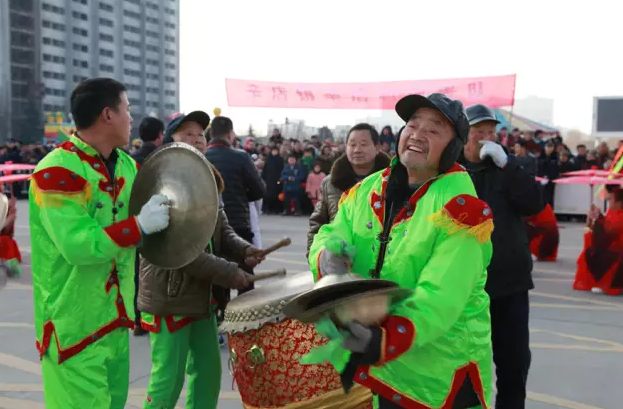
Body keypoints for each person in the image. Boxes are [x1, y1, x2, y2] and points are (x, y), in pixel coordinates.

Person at [309, 93, 494, 408]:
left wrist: (387, 339)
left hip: (435, 375)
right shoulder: (366, 190)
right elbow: (332, 231)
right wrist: (327, 254)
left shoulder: (463, 210)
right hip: (370, 367)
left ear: (452, 149)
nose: (418, 134)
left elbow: (442, 294)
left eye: (434, 130)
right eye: (412, 124)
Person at [29, 77, 170, 409]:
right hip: (73, 327)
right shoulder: (56, 171)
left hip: (116, 323)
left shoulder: (127, 165)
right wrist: (137, 226)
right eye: (127, 109)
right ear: (108, 115)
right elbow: (78, 245)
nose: (131, 118)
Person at [138, 114, 263, 409]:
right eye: (188, 134)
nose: (197, 139)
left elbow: (222, 228)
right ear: (172, 141)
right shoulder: (162, 180)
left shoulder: (207, 175)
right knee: (168, 379)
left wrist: (245, 251)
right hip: (170, 298)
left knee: (208, 372)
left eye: (200, 134)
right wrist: (230, 272)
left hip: (203, 297)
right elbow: (179, 251)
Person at [460, 104, 545, 409]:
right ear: (462, 135)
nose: (486, 138)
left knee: (514, 364)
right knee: (463, 370)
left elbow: (534, 204)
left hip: (509, 283)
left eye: (490, 132)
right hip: (463, 288)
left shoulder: (510, 167)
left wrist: (508, 166)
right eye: (477, 132)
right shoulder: (449, 172)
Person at [307, 123, 390, 254]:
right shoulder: (330, 183)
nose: (357, 150)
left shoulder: (391, 182)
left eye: (363, 144)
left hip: (380, 263)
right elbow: (317, 224)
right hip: (339, 261)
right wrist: (318, 259)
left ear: (377, 147)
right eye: (352, 145)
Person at [205, 116, 265, 297]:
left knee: (217, 282)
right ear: (230, 135)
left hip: (210, 227)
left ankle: (220, 322)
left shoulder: (201, 157)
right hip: (239, 226)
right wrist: (242, 195)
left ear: (210, 134)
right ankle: (247, 325)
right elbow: (259, 189)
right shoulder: (241, 157)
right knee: (245, 284)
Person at [130, 116, 166, 336]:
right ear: (160, 135)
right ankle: (154, 317)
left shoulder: (128, 160)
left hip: (134, 222)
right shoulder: (162, 158)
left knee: (136, 272)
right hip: (158, 221)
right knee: (157, 272)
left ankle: (137, 320)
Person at [574, 186, 623, 295]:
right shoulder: (613, 212)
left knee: (599, 253)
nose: (609, 201)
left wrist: (598, 219)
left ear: (619, 202)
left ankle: (604, 283)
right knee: (592, 251)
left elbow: (608, 233)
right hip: (613, 248)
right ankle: (597, 282)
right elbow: (604, 229)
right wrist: (593, 219)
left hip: (618, 251)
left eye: (611, 199)